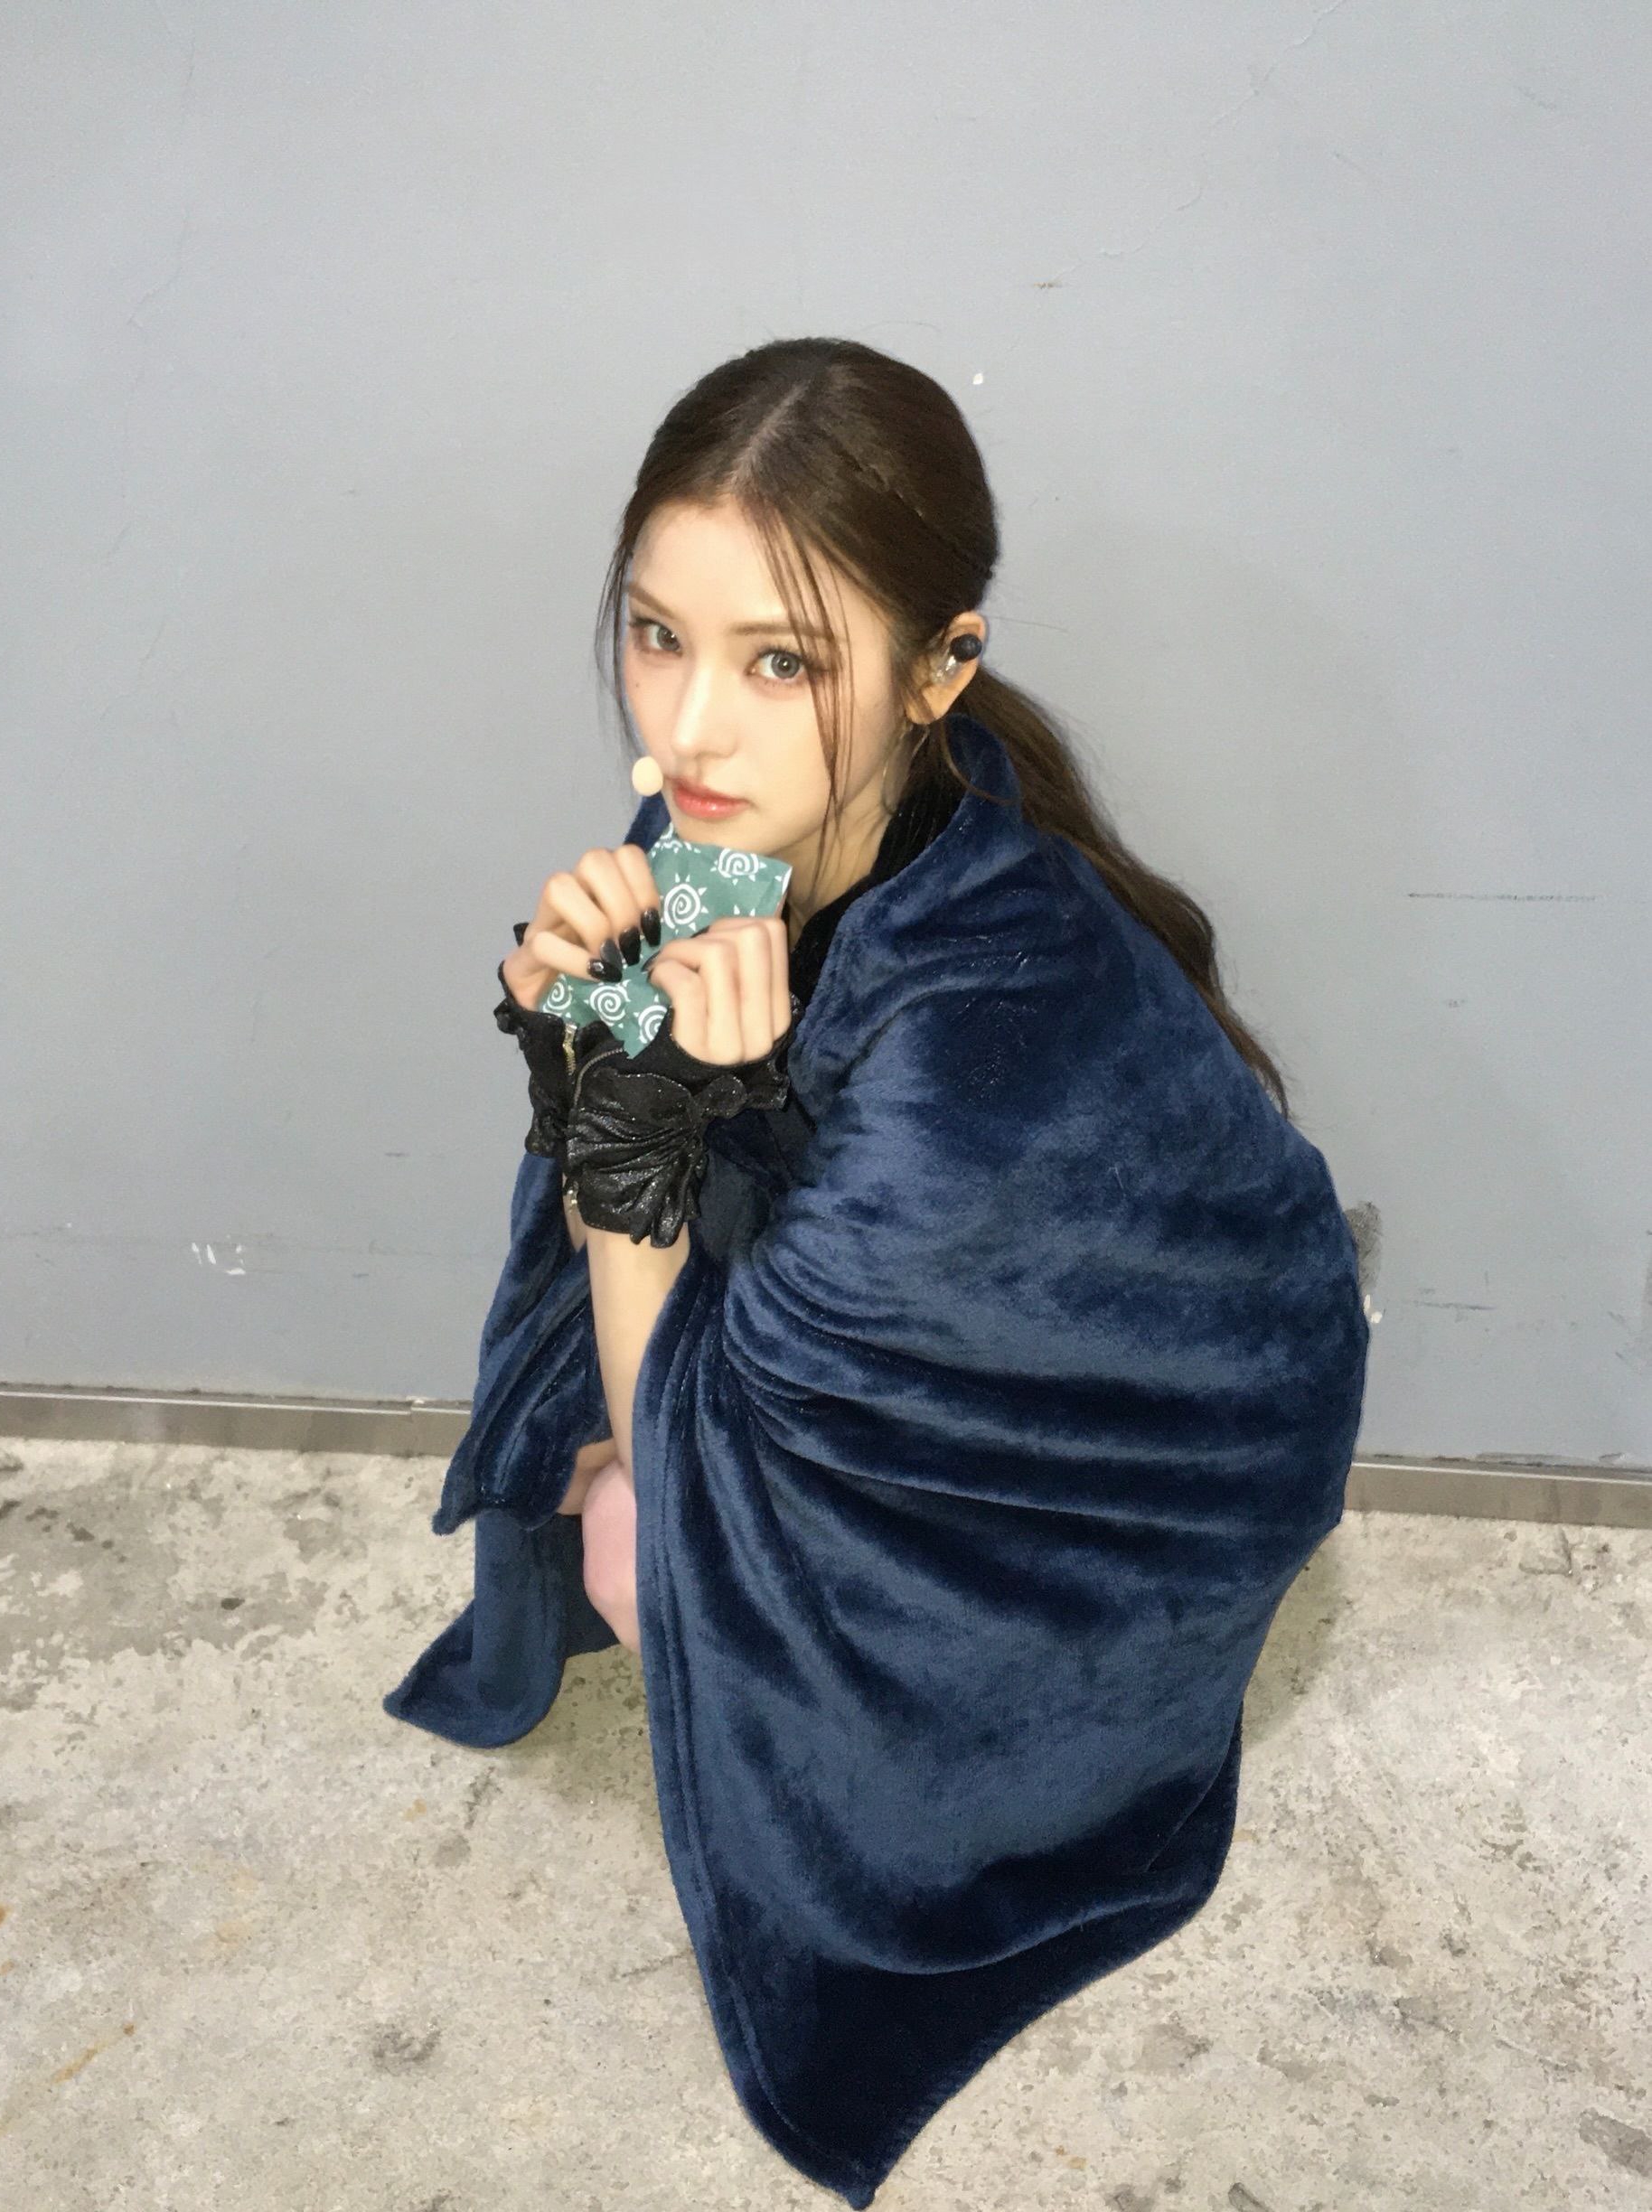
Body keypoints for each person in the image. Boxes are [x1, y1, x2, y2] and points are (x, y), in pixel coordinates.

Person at [384, 337, 1368, 2208]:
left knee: (637, 1541)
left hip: (1147, 1497)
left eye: (783, 662)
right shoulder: (728, 835)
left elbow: (688, 1456)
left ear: (942, 668)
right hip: (928, 1314)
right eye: (658, 635)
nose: (689, 731)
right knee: (601, 1453)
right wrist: (594, 1036)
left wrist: (624, 1108)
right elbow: (648, 1205)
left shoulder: (980, 1042)